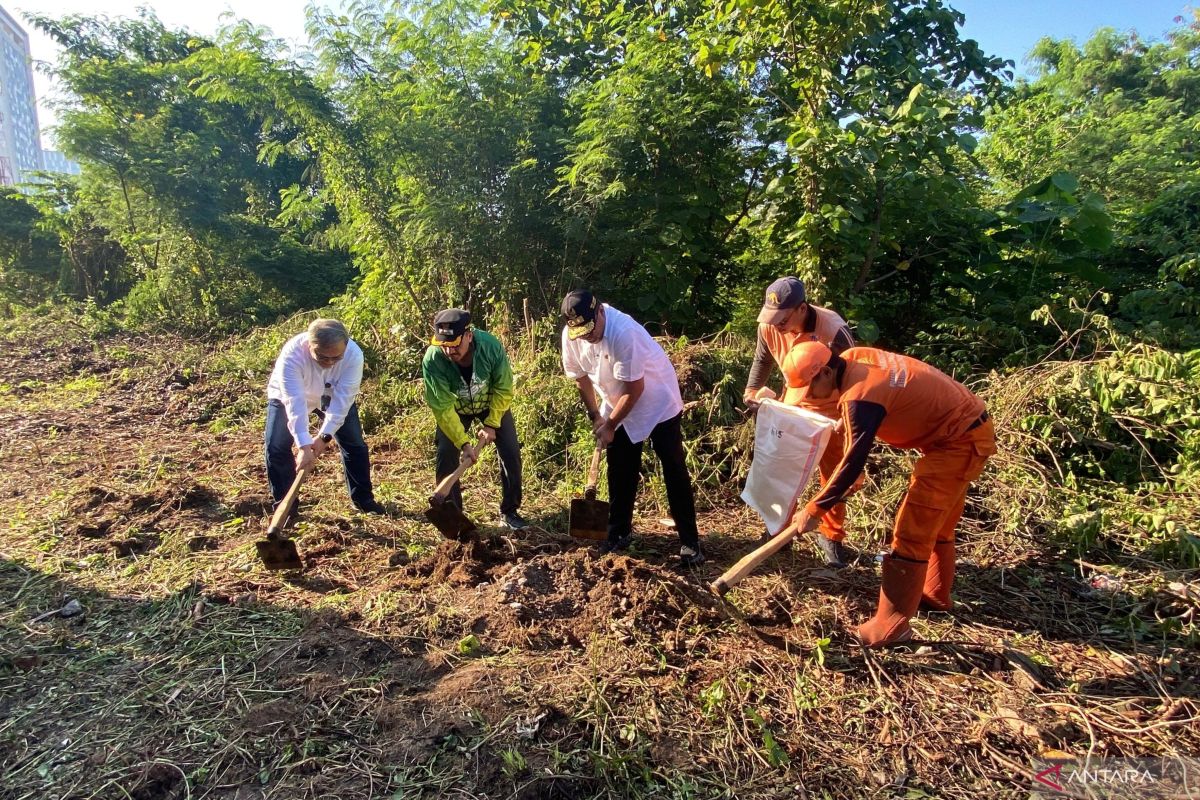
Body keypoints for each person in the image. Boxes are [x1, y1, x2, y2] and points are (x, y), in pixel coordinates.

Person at [781, 341, 997, 647]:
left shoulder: (861, 396)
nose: (809, 399)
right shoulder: (854, 359)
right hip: (967, 428)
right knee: (939, 523)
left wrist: (815, 509)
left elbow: (854, 460)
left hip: (958, 442)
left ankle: (891, 626)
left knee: (913, 529)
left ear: (826, 372)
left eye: (808, 391)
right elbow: (858, 427)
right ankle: (935, 594)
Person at [560, 290, 705, 567]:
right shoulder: (573, 335)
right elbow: (580, 378)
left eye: (590, 328)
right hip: (617, 401)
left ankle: (690, 542)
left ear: (600, 311)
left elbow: (635, 388)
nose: (586, 336)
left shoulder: (623, 333)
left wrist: (612, 424)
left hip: (656, 399)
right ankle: (619, 533)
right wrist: (596, 418)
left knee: (673, 466)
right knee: (619, 468)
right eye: (580, 332)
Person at [745, 277, 857, 567]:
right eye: (771, 318)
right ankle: (777, 530)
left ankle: (831, 537)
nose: (776, 325)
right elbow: (763, 359)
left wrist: (848, 418)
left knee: (834, 474)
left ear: (801, 309)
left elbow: (853, 378)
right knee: (782, 468)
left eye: (782, 320)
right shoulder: (769, 326)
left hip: (833, 410)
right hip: (794, 402)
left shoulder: (833, 331)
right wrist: (751, 389)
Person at [264, 318, 385, 515]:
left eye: (336, 358)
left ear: (345, 346)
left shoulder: (353, 356)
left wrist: (323, 438)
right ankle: (286, 507)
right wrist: (304, 446)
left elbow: (342, 403)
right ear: (309, 344)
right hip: (290, 395)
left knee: (354, 443)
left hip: (332, 396)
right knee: (276, 445)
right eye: (322, 357)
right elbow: (294, 402)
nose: (329, 363)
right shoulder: (292, 355)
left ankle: (363, 500)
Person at [422, 308, 528, 530]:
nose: (449, 352)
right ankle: (453, 518)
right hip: (456, 409)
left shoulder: (490, 346)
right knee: (445, 453)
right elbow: (441, 407)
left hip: (491, 403)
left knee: (510, 452)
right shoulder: (433, 359)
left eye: (455, 345)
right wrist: (463, 442)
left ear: (468, 336)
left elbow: (504, 387)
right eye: (444, 346)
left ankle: (510, 512)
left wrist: (491, 423)